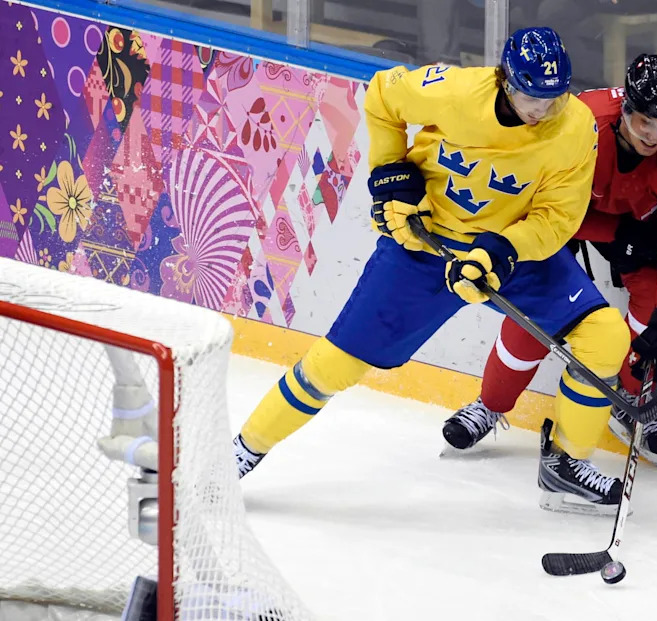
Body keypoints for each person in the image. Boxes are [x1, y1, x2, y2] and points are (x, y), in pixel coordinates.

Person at [233, 27, 633, 513]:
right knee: (334, 363)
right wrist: (389, 171)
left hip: (510, 254)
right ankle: (242, 451)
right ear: (506, 80)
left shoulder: (576, 129)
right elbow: (382, 96)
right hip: (425, 246)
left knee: (605, 335)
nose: (542, 110)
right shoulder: (455, 91)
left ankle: (565, 464)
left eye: (553, 98)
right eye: (531, 96)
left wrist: (501, 252)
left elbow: (558, 217)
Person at [442, 54, 657, 469]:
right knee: (537, 315)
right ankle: (491, 404)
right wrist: (609, 234)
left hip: (636, 226)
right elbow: (534, 196)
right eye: (646, 122)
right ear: (626, 108)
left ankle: (626, 398)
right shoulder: (578, 119)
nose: (655, 136)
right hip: (560, 218)